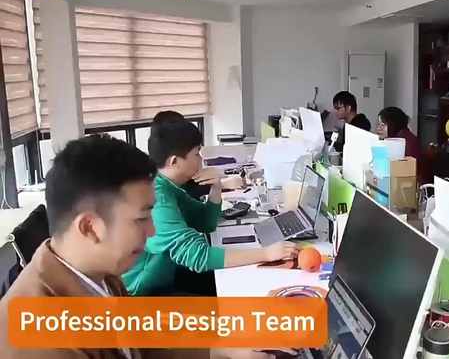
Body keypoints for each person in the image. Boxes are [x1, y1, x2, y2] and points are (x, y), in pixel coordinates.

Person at [0, 134, 279, 358]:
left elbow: (137, 346)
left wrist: (221, 351)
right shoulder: (44, 341)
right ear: (89, 227)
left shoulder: (99, 273)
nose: (153, 230)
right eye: (141, 218)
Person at [123, 121, 298, 296]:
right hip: (144, 292)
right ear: (174, 161)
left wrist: (216, 186)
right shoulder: (158, 197)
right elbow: (199, 257)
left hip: (165, 273)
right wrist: (267, 254)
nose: (201, 159)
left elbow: (205, 222)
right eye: (197, 153)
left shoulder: (167, 186)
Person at [150, 111, 246, 197]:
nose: (201, 158)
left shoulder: (164, 177)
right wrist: (223, 184)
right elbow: (191, 192)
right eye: (197, 154)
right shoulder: (161, 195)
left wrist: (219, 181)